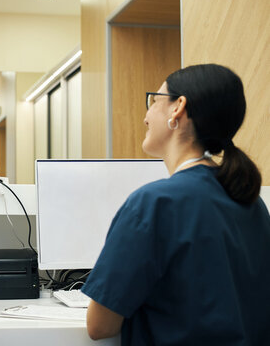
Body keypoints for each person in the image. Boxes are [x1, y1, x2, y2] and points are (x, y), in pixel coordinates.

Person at [81, 64, 270, 345]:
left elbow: (100, 326)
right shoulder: (252, 201)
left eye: (153, 101)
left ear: (177, 108)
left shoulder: (154, 203)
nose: (146, 117)